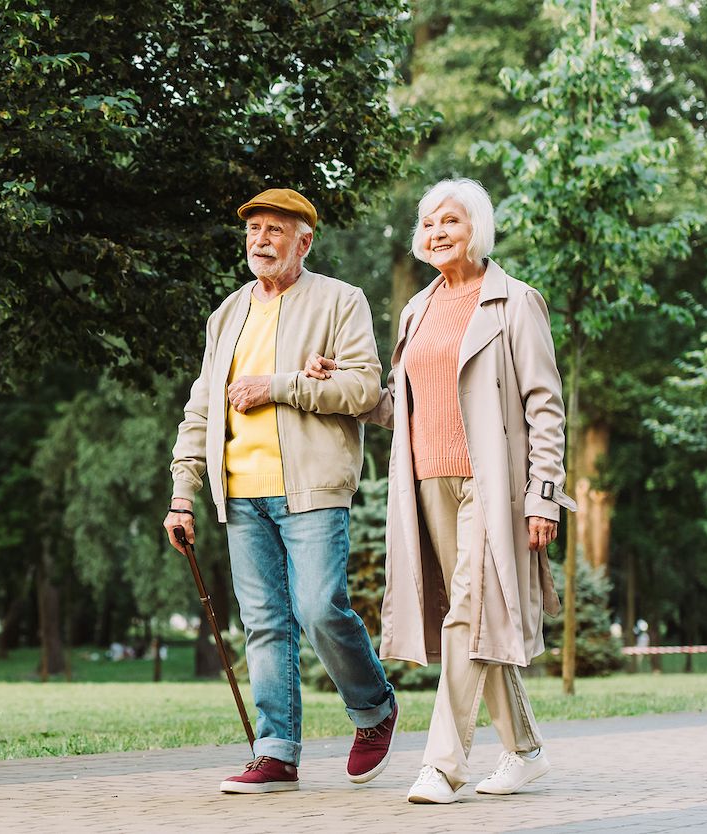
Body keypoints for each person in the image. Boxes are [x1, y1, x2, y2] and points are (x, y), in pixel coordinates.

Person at [305, 178, 577, 803]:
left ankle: (442, 766)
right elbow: (400, 404)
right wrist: (342, 384)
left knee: (464, 613)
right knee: (476, 614)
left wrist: (543, 493)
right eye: (428, 223)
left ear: (475, 227)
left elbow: (545, 404)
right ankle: (526, 751)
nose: (436, 232)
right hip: (428, 482)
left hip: (493, 484)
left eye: (450, 221)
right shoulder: (417, 309)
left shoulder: (514, 302)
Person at [164, 187, 398, 794]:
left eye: (274, 229)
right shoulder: (227, 314)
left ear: (305, 241)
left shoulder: (340, 301)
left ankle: (373, 709)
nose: (260, 240)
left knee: (319, 608)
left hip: (314, 487)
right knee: (265, 623)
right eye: (253, 230)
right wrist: (182, 492)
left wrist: (282, 385)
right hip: (240, 493)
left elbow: (365, 394)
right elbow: (200, 410)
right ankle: (276, 752)